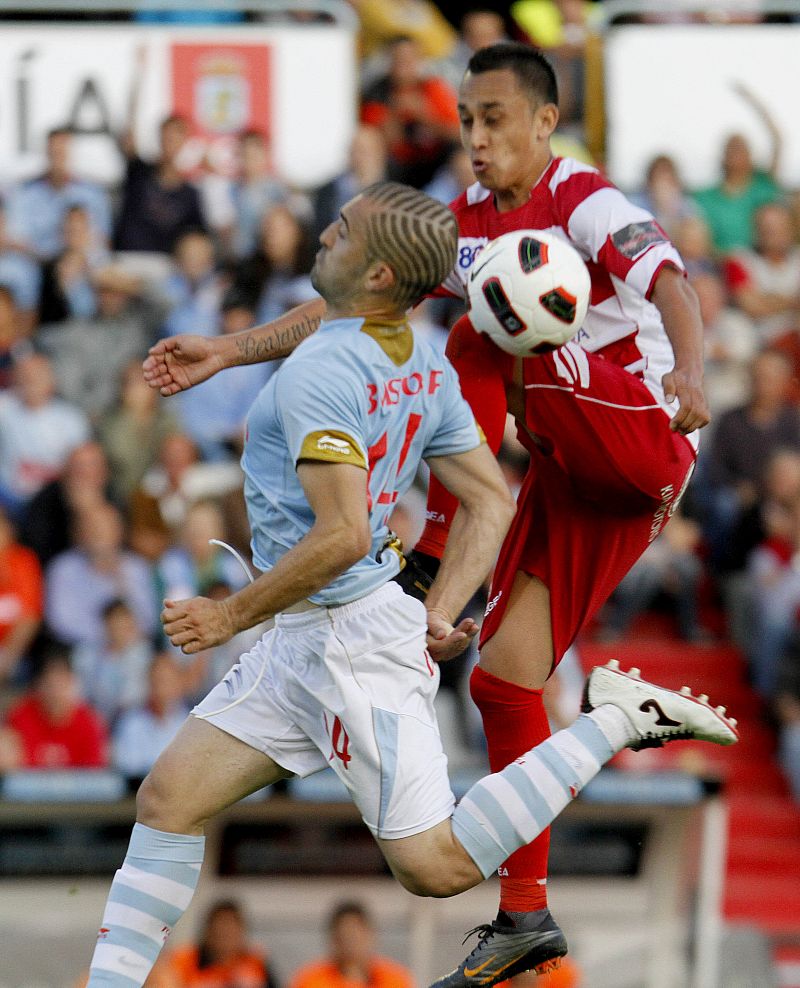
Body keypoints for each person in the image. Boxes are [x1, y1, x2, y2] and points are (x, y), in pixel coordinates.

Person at [142, 45, 714, 983]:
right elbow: (349, 304)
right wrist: (230, 350)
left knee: (482, 328)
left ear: (543, 120)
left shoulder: (583, 200)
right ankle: (525, 919)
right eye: (466, 120)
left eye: (495, 118)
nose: (477, 137)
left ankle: (428, 565)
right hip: (573, 471)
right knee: (503, 683)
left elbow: (672, 284)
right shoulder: (464, 227)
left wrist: (689, 371)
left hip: (646, 425)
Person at [289, 900, 412, 988]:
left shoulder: (394, 979)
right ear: (333, 938)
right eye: (345, 936)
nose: (351, 944)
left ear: (371, 935)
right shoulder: (310, 980)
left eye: (356, 936)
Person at [165, 898, 280, 988]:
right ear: (208, 931)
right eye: (219, 928)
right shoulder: (185, 961)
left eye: (231, 929)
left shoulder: (256, 961)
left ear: (242, 930)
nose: (225, 933)